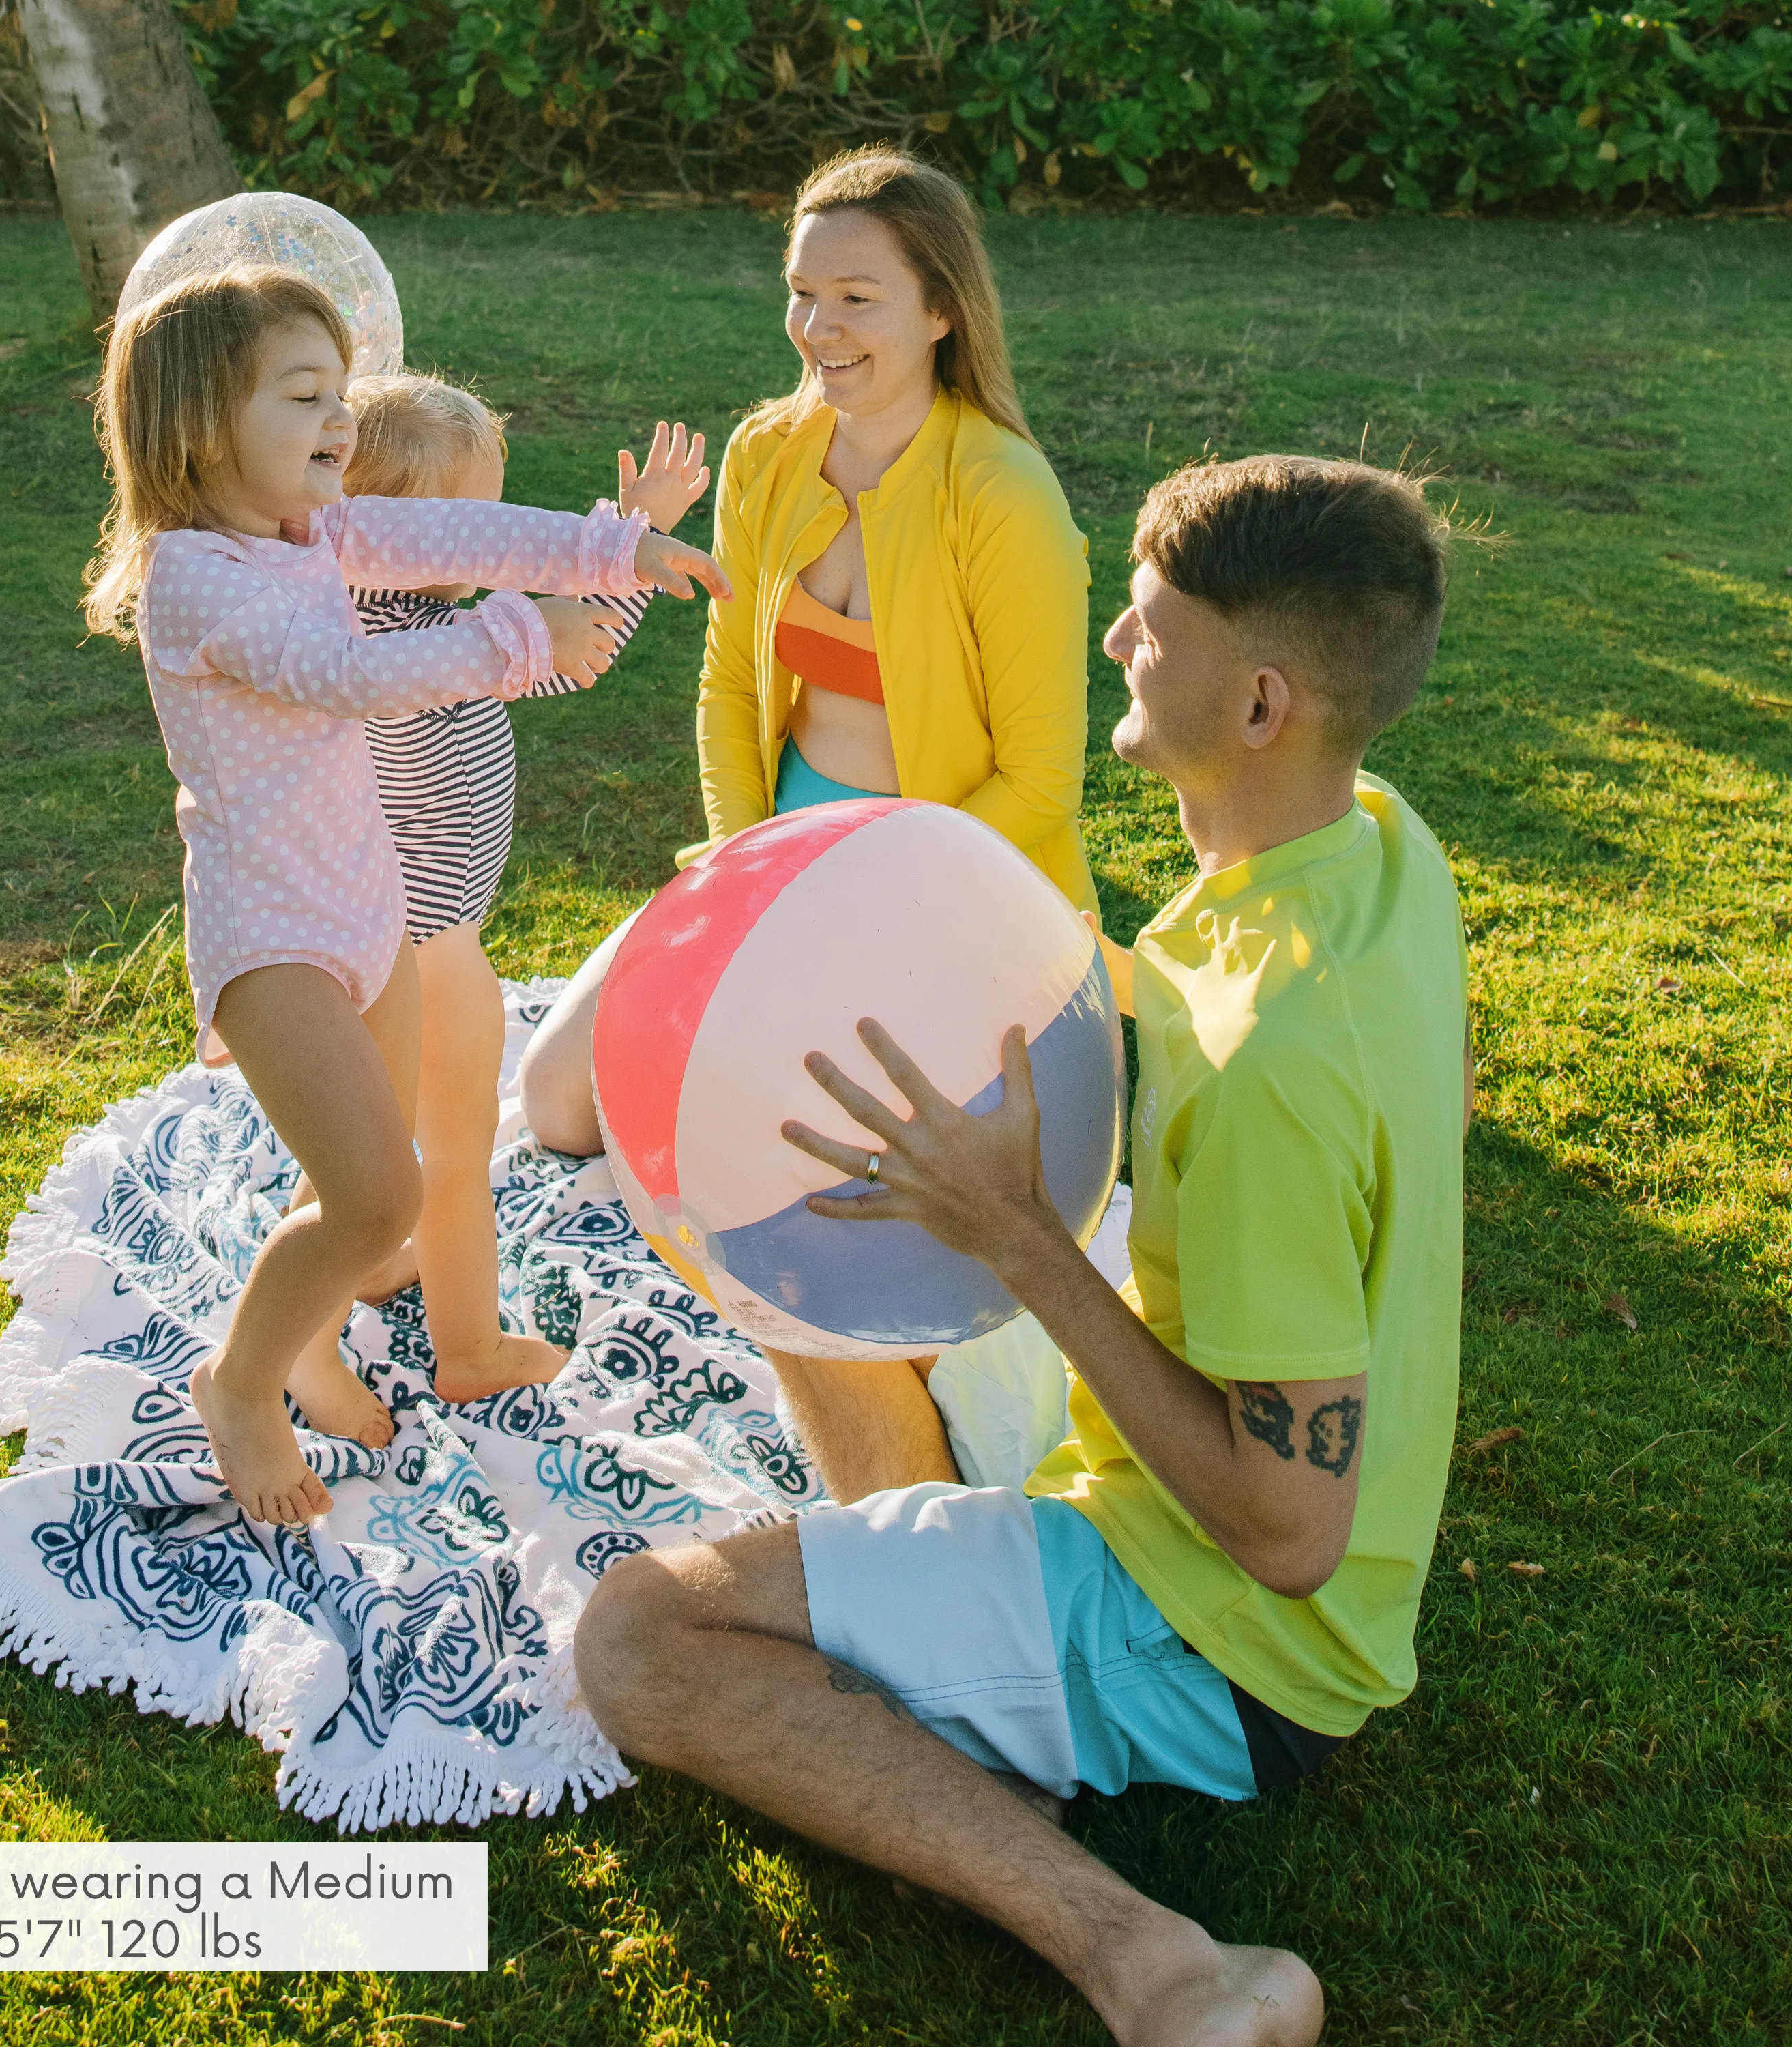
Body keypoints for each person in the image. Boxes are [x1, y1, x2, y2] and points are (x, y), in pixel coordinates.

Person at [576, 454, 1471, 2046]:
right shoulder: (1377, 849)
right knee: (811, 1268)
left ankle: (1156, 1961)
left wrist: (1027, 1239)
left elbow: (1286, 1533)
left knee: (641, 1635)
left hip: (1222, 1638)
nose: (1117, 643)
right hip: (1212, 1496)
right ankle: (938, 1652)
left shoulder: (1273, 1066)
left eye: (1150, 627)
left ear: (1261, 703)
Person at [80, 263, 728, 1524]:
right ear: (203, 427)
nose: (342, 419)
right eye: (308, 395)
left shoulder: (311, 529)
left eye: (340, 389)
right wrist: (520, 637)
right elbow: (339, 675)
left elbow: (464, 537)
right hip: (277, 941)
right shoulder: (197, 578)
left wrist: (614, 547)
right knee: (381, 1198)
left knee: (372, 1214)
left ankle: (305, 1341)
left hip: (373, 910)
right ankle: (244, 1382)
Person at [518, 143, 1096, 1165]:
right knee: (560, 1100)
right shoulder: (765, 454)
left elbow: (1041, 782)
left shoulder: (1006, 492)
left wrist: (864, 903)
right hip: (778, 854)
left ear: (940, 311)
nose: (817, 329)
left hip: (947, 887)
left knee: (805, 1150)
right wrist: (747, 871)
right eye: (801, 293)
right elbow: (731, 682)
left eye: (856, 298)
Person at [307, 375, 711, 1399]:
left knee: (370, 1135)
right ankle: (466, 1352)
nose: (496, 538)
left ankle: (370, 1267)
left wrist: (630, 531)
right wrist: (631, 542)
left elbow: (561, 630)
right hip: (435, 942)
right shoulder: (437, 642)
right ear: (409, 526)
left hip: (368, 931)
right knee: (453, 1148)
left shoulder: (357, 616)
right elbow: (578, 649)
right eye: (476, 520)